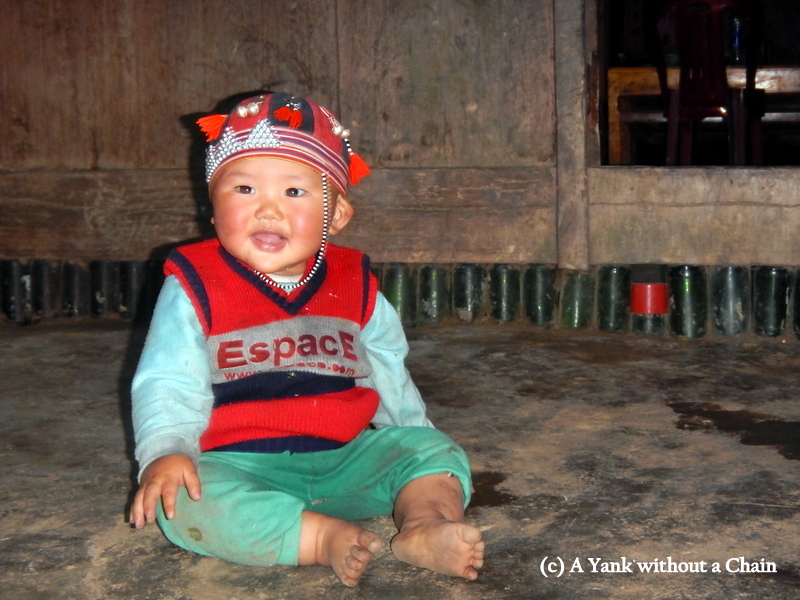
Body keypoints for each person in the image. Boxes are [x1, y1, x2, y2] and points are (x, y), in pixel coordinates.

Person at [129, 92, 484, 586]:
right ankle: (319, 538)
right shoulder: (194, 283)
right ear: (212, 209)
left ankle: (425, 525)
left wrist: (413, 440)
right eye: (245, 189)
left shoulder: (354, 283)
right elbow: (167, 378)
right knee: (185, 504)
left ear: (335, 214)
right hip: (238, 465)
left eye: (294, 193)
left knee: (435, 453)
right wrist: (166, 449)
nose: (267, 210)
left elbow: (386, 366)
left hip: (345, 459)